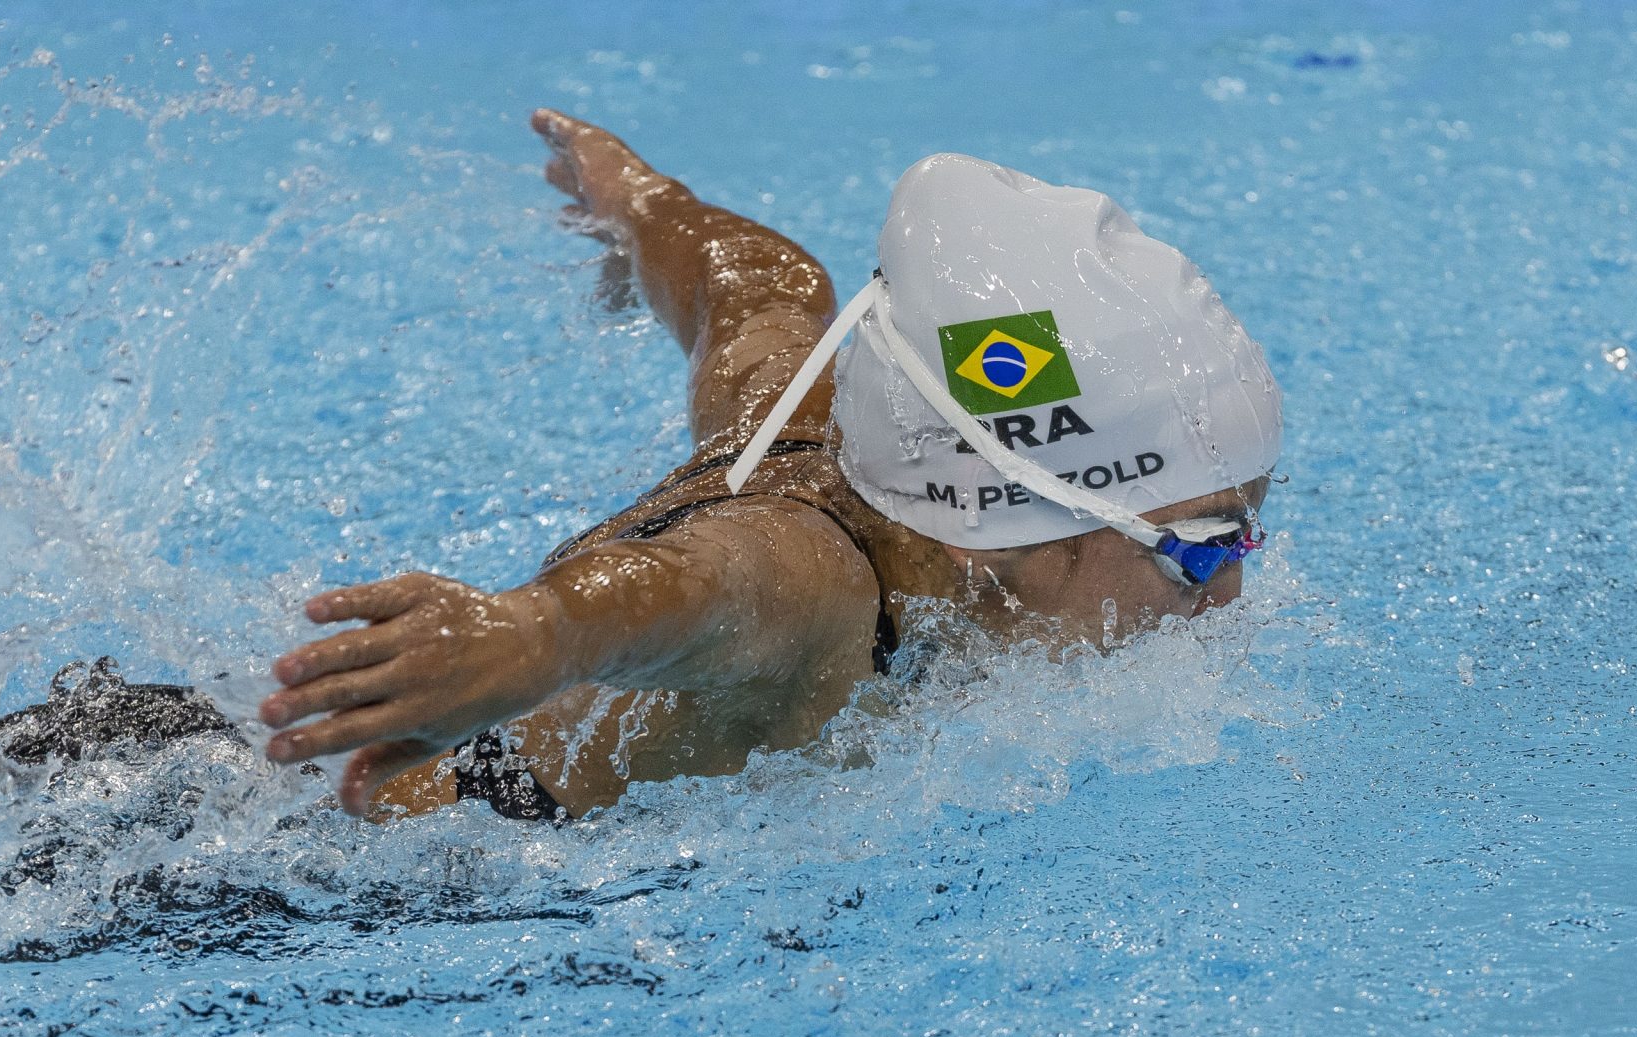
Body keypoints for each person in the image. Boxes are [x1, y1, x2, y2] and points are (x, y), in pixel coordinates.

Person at [253, 111, 1282, 821]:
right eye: (1198, 547)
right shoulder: (816, 591)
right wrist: (532, 636)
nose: (1234, 586)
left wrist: (642, 202)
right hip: (300, 877)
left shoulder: (820, 425)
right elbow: (692, 590)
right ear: (997, 542)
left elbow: (754, 286)